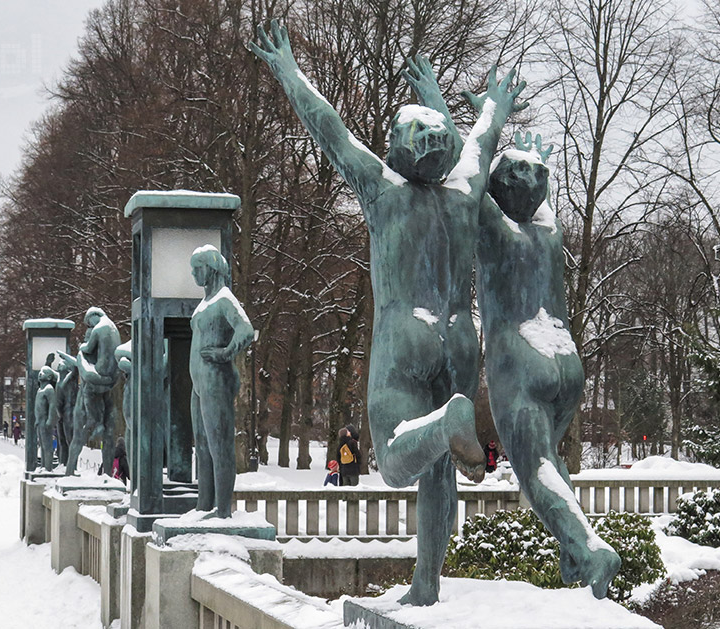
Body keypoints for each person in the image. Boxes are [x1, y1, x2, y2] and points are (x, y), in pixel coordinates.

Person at [251, 23, 524, 605]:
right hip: (458, 338)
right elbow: (481, 134)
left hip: (407, 332)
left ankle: (446, 425)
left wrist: (289, 72)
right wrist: (479, 105)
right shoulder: (466, 191)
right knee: (438, 470)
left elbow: (331, 129)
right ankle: (426, 583)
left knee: (398, 459)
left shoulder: (383, 189)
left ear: (398, 148)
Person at [406, 59, 621, 599]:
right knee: (548, 455)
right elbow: (528, 192)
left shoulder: (495, 228)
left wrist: (437, 101)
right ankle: (574, 551)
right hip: (566, 357)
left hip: (519, 353)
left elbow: (467, 166)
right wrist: (537, 165)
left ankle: (588, 546)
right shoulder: (550, 232)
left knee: (536, 465)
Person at [189, 245, 255, 518]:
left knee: (219, 446)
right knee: (202, 447)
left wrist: (225, 353)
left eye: (197, 268)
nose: (193, 274)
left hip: (216, 379)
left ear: (212, 268)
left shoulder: (225, 300)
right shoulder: (204, 303)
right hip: (199, 384)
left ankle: (223, 511)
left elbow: (246, 330)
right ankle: (204, 504)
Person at [61, 307, 121, 476]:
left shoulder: (87, 354)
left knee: (84, 435)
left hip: (96, 386)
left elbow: (85, 367)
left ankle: (72, 471)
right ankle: (102, 474)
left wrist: (81, 354)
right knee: (105, 435)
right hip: (109, 382)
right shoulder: (112, 329)